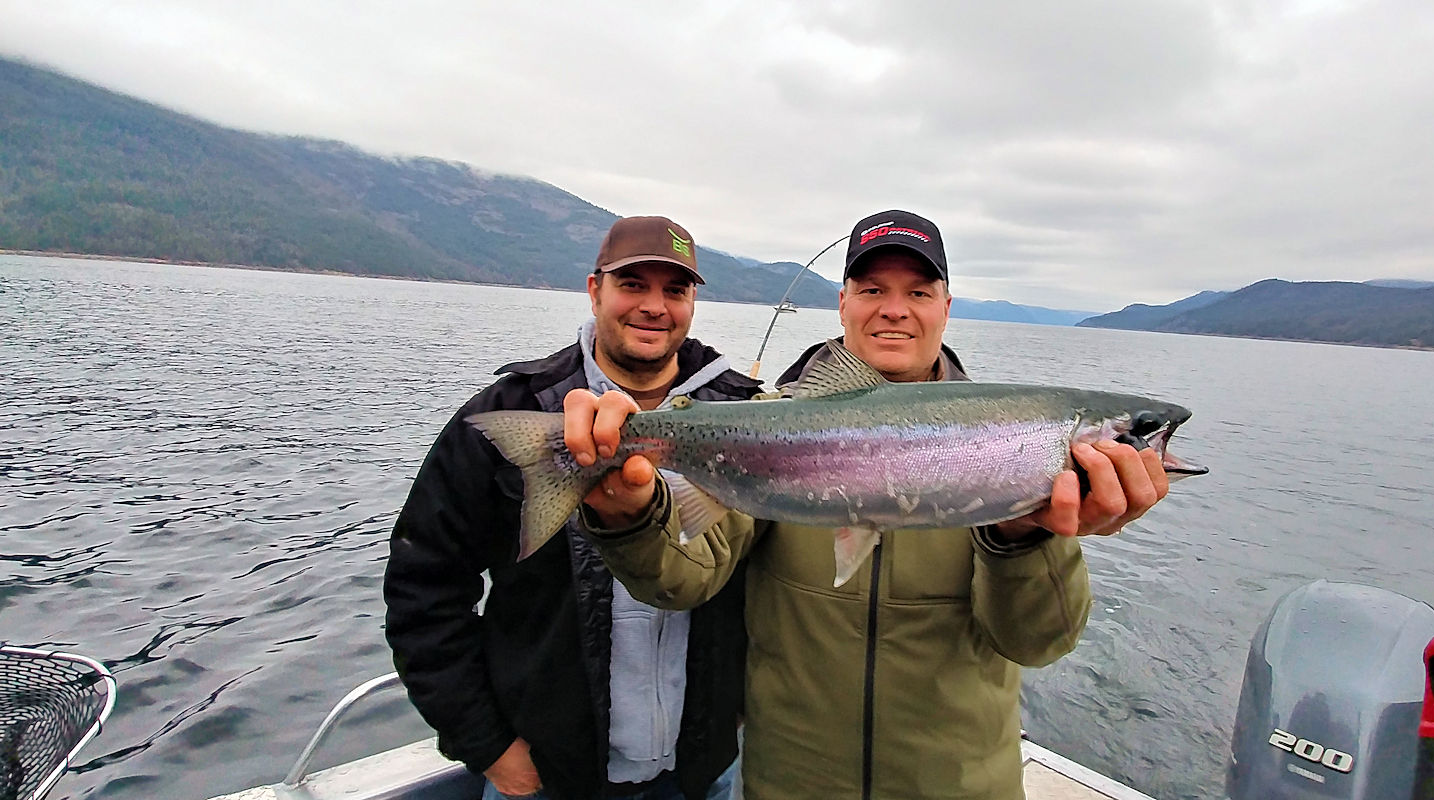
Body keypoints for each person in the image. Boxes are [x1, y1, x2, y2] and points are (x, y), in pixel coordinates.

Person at [562, 210, 1171, 799]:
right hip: (790, 785)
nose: (895, 309)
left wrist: (1023, 535)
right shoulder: (768, 418)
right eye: (872, 287)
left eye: (920, 292)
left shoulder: (1008, 449)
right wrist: (629, 517)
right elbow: (682, 579)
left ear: (947, 307)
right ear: (843, 303)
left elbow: (1038, 643)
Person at [383, 216, 760, 800]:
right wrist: (487, 745)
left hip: (701, 773)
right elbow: (423, 587)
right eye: (632, 284)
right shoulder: (510, 412)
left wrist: (735, 717)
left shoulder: (747, 413)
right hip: (548, 777)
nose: (654, 307)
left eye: (675, 290)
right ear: (594, 290)